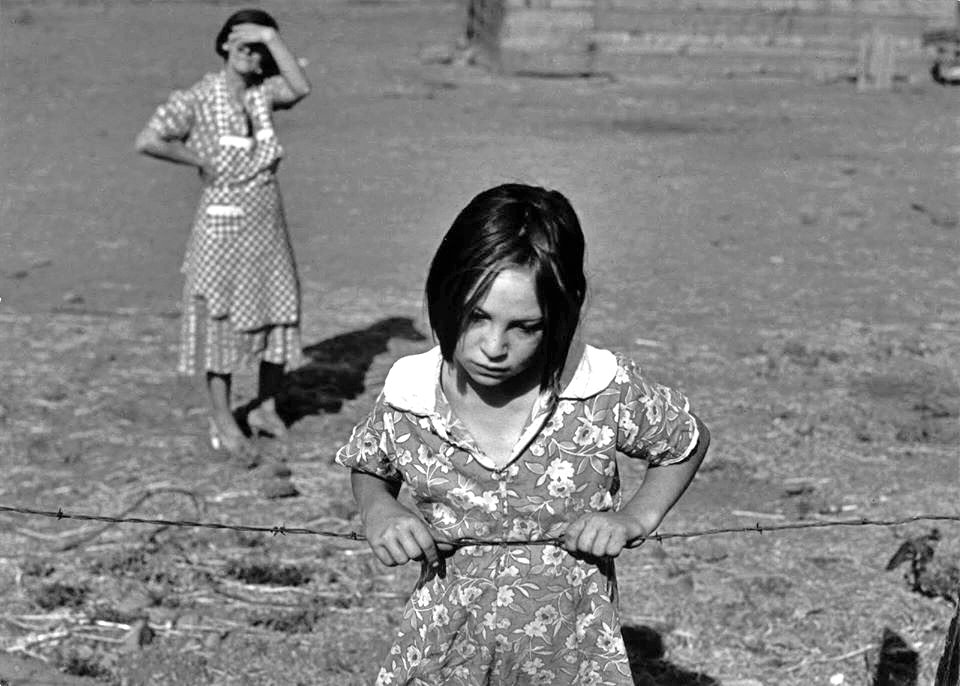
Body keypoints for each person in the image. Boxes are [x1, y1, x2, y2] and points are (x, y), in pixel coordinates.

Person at [335, 183, 711, 685]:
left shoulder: (596, 389)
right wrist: (379, 508)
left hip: (570, 655)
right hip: (445, 651)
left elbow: (686, 440)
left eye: (525, 327)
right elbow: (369, 465)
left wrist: (634, 518)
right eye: (476, 316)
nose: (494, 346)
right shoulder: (414, 395)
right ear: (445, 295)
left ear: (561, 313)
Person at [135, 9, 310, 464]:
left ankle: (267, 407)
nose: (254, 56)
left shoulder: (262, 95)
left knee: (278, 308)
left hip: (266, 220)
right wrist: (199, 160)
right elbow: (150, 138)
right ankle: (222, 417)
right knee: (221, 322)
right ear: (225, 47)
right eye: (246, 47)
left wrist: (271, 37)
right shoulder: (197, 98)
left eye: (260, 50)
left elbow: (300, 87)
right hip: (221, 225)